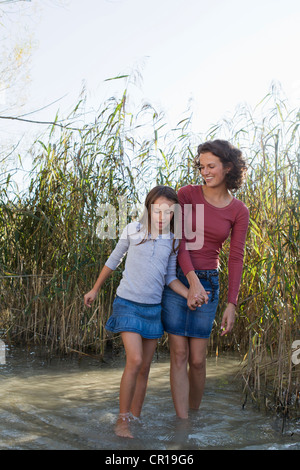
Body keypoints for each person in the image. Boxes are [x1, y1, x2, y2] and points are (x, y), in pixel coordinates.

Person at [84, 185, 203, 438]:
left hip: (152, 309)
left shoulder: (172, 240)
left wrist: (189, 294)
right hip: (127, 304)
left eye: (169, 212)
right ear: (149, 208)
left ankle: (135, 418)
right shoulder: (133, 230)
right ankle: (122, 420)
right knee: (135, 360)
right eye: (158, 210)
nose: (162, 216)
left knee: (145, 368)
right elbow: (113, 261)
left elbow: (170, 278)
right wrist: (94, 289)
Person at [162, 139, 249, 419]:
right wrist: (191, 281)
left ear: (228, 168)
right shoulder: (186, 194)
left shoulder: (239, 211)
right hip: (179, 278)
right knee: (179, 355)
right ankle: (183, 426)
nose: (205, 172)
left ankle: (194, 417)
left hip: (209, 283)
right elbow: (181, 242)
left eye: (211, 166)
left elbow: (236, 258)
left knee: (198, 361)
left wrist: (231, 304)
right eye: (201, 166)